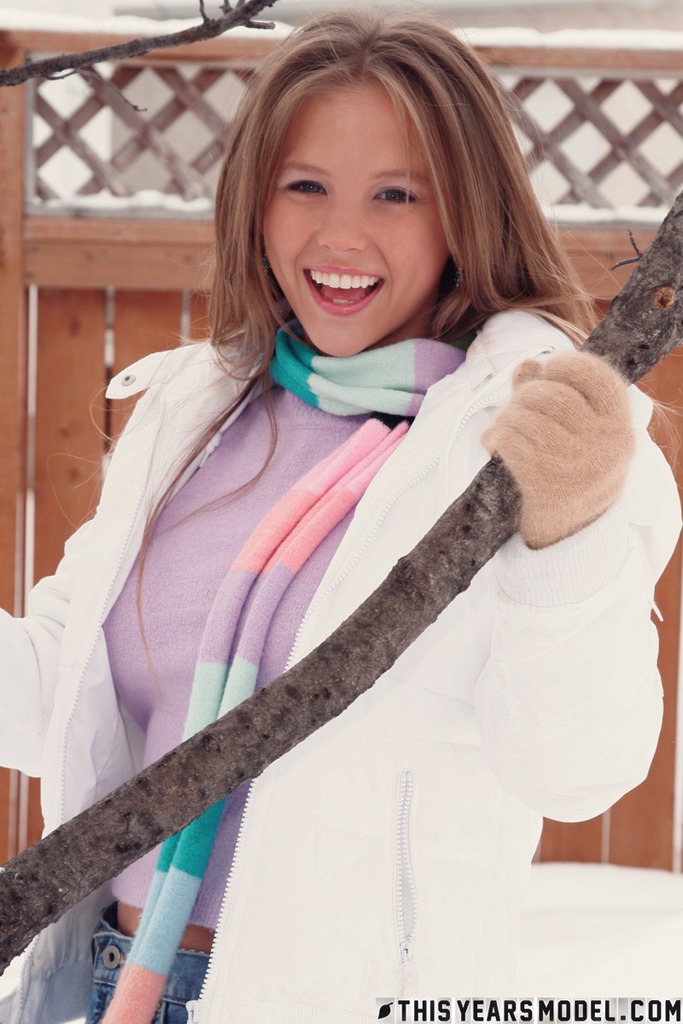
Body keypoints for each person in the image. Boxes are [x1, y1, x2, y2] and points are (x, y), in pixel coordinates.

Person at [0, 10, 680, 1024]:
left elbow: (577, 770)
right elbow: (60, 690)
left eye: (396, 194)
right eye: (304, 186)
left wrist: (566, 539)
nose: (340, 236)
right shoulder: (198, 412)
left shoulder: (538, 437)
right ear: (254, 202)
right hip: (109, 985)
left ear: (467, 212)